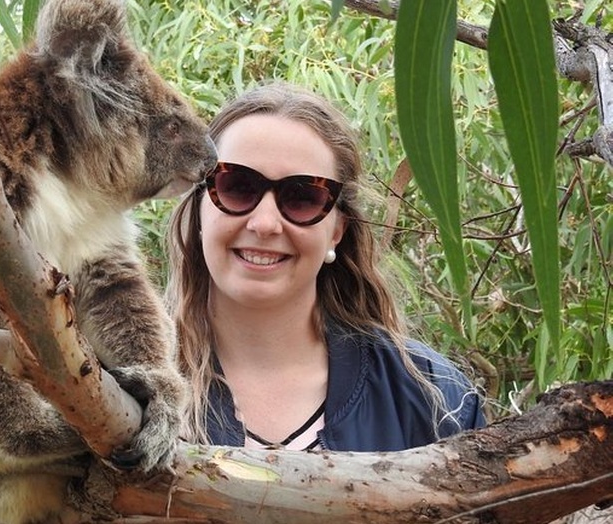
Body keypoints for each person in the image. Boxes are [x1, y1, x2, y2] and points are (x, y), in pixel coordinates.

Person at [165, 82, 485, 451]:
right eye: (237, 186)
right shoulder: (122, 386)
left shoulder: (436, 403)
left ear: (337, 230)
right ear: (201, 208)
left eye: (303, 197)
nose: (265, 223)